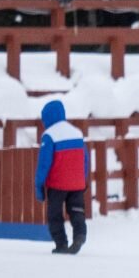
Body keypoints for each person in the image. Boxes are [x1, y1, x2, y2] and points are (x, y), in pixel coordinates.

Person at [33, 100, 89, 254]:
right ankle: (80, 235)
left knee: (55, 214)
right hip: (77, 183)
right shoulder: (77, 133)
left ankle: (61, 244)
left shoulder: (49, 136)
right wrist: (83, 178)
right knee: (77, 211)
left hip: (57, 184)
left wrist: (39, 185)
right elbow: (85, 158)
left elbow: (44, 163)